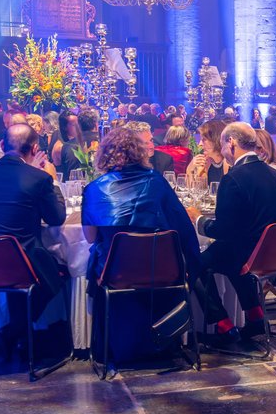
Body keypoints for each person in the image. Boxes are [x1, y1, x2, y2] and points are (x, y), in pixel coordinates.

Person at [81, 125, 202, 362]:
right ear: (140, 152)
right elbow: (182, 230)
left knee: (97, 255)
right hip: (162, 271)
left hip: (116, 274)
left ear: (104, 154)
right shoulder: (156, 183)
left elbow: (91, 238)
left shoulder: (95, 189)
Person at [0, 123, 70, 351]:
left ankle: (16, 331)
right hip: (22, 263)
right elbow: (56, 218)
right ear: (34, 149)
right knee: (60, 272)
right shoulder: (38, 178)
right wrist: (52, 179)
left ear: (1, 146)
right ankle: (20, 331)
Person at [196, 123, 276, 351]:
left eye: (223, 144)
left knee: (193, 263)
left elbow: (224, 231)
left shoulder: (234, 178)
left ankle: (223, 325)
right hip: (271, 254)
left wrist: (198, 220)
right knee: (228, 254)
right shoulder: (275, 174)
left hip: (246, 254)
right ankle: (255, 316)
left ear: (232, 143)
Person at [186, 119, 228, 189]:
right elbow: (196, 192)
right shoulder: (207, 162)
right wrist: (190, 170)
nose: (200, 145)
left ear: (215, 140)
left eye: (204, 140)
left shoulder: (231, 164)